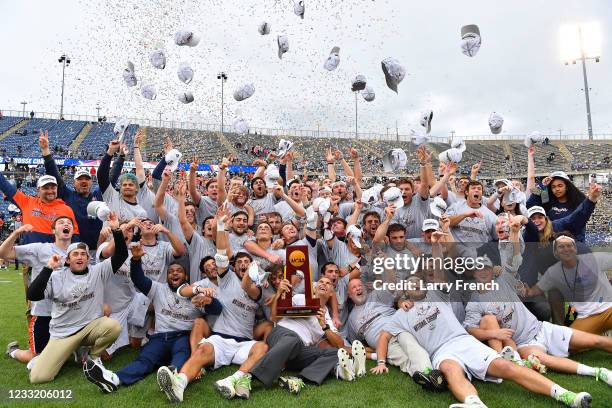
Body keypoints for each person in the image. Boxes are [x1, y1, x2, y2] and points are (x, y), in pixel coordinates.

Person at [156, 222, 268, 402]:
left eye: (247, 262)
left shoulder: (257, 289)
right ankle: (179, 383)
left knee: (262, 347)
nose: (243, 264)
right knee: (201, 351)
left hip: (244, 343)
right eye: (239, 262)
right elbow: (222, 254)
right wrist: (222, 225)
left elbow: (247, 286)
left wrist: (252, 273)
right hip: (221, 339)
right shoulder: (226, 278)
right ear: (234, 266)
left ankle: (232, 380)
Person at [25, 212, 128, 392]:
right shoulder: (57, 277)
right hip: (63, 334)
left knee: (113, 326)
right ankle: (69, 355)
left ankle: (92, 358)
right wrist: (48, 268)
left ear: (88, 259)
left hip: (89, 328)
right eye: (75, 254)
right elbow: (33, 295)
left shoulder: (98, 271)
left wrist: (117, 230)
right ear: (67, 259)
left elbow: (120, 255)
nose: (79, 257)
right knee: (38, 377)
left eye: (83, 254)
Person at [112, 243, 222, 387]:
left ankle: (172, 376)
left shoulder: (194, 293)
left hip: (182, 337)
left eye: (179, 271)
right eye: (171, 271)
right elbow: (138, 279)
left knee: (181, 356)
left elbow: (217, 310)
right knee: (144, 360)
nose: (175, 273)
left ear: (186, 276)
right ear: (167, 276)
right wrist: (136, 260)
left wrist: (210, 300)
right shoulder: (158, 289)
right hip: (160, 338)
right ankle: (115, 379)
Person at [250, 277, 360, 394]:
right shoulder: (300, 298)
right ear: (314, 288)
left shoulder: (326, 316)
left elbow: (340, 345)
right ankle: (252, 377)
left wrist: (324, 325)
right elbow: (274, 317)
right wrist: (278, 294)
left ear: (331, 293)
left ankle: (299, 379)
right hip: (282, 334)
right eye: (321, 282)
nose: (324, 284)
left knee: (336, 353)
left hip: (299, 350)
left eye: (328, 283)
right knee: (293, 340)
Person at [2, 217, 75, 365]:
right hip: (44, 313)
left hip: (70, 312)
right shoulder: (40, 248)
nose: (66, 224)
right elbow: (3, 253)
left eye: (69, 223)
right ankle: (14, 351)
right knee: (37, 358)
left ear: (73, 230)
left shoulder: (79, 250)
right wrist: (16, 233)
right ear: (53, 230)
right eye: (61, 223)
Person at [522, 234, 612, 335]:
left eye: (569, 246)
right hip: (585, 315)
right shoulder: (554, 272)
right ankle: (562, 328)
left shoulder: (594, 259)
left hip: (607, 308)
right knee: (570, 344)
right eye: (561, 247)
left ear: (575, 249)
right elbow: (537, 289)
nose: (566, 249)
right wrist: (527, 292)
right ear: (555, 253)